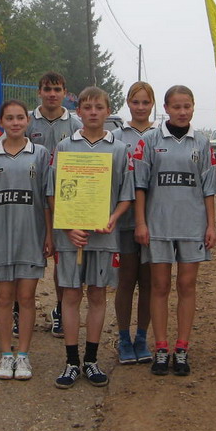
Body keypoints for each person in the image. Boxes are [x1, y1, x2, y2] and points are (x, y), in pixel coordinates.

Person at [49, 86, 134, 389]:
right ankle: (71, 361)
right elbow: (53, 193)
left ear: (107, 111)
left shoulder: (119, 149)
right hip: (71, 238)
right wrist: (67, 226)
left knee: (97, 296)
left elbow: (126, 193)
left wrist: (113, 218)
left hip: (103, 237)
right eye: (87, 107)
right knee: (71, 296)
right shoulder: (65, 147)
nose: (93, 112)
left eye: (99, 107)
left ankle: (92, 359)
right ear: (79, 111)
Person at [134, 85, 216, 377]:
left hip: (192, 226)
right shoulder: (150, 140)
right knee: (159, 286)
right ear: (166, 109)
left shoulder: (203, 143)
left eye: (187, 106)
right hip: (158, 225)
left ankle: (181, 348)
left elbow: (208, 188)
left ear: (194, 107)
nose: (182, 112)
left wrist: (211, 224)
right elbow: (140, 185)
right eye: (176, 107)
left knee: (186, 285)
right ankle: (160, 347)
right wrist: (141, 223)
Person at [0, 100, 53, 380]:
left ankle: (23, 355)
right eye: (9, 118)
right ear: (1, 122)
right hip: (1, 236)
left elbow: (46, 199)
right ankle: (6, 354)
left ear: (28, 121)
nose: (15, 122)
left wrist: (48, 234)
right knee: (4, 298)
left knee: (27, 297)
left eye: (20, 117)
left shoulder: (41, 154)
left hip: (30, 236)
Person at [26, 71, 82, 339]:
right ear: (39, 91)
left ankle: (60, 308)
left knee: (61, 258)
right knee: (27, 256)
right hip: (30, 199)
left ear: (65, 93)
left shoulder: (75, 124)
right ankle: (19, 308)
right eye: (47, 88)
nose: (52, 93)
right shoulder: (25, 120)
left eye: (57, 89)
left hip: (63, 201)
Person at [112, 81, 156, 365]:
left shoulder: (160, 135)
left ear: (152, 105)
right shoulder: (114, 137)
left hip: (156, 221)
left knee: (150, 283)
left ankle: (142, 337)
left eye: (145, 102)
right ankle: (124, 337)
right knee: (126, 281)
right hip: (125, 221)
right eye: (135, 102)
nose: (140, 107)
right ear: (128, 103)